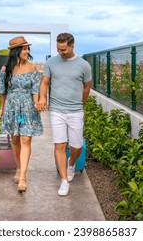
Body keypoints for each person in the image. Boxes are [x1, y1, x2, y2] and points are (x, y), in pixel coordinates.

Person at [38, 33, 92, 196]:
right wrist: (42, 98)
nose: (60, 52)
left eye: (63, 49)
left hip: (75, 111)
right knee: (59, 145)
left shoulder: (84, 65)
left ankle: (71, 163)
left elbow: (87, 87)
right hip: (56, 111)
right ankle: (64, 181)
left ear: (72, 46)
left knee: (76, 146)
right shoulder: (51, 63)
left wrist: (80, 104)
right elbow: (45, 82)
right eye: (58, 49)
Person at [0, 36, 43, 193]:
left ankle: (23, 177)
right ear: (16, 51)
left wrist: (36, 103)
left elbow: (35, 89)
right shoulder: (5, 70)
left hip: (27, 107)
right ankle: (18, 168)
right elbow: (2, 91)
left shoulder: (32, 68)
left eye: (28, 48)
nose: (27, 51)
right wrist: (2, 108)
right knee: (15, 139)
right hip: (11, 107)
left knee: (26, 138)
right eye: (24, 49)